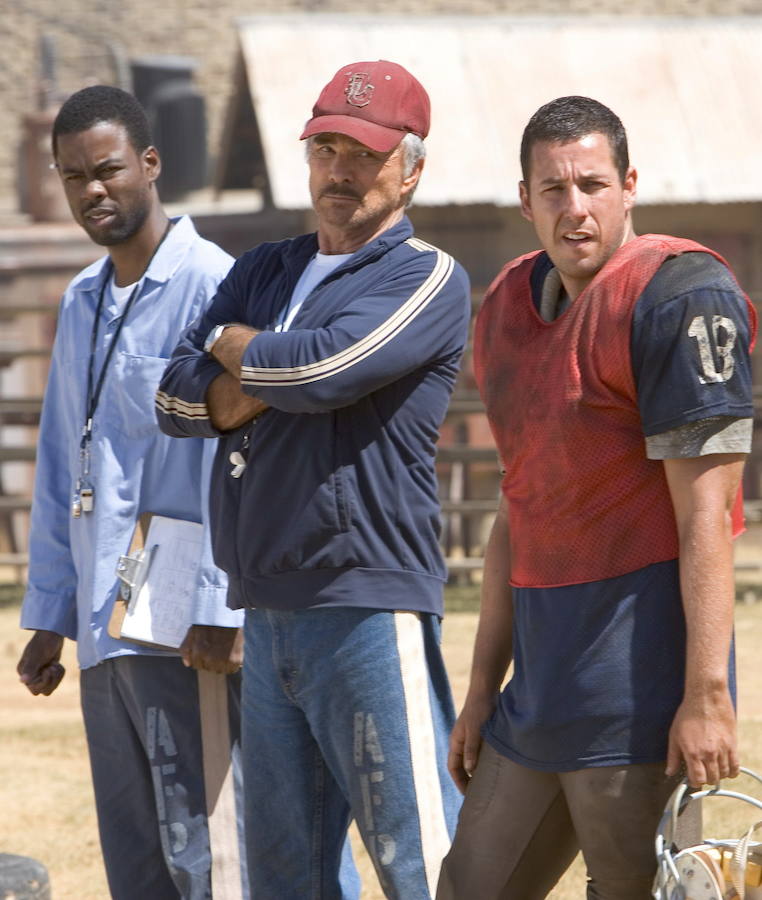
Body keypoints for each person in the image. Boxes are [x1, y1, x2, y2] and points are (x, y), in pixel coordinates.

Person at [155, 60, 470, 899]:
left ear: (411, 169)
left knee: (418, 860)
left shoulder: (424, 276)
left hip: (364, 601)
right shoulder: (270, 265)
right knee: (287, 874)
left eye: (363, 153)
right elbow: (170, 398)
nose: (340, 170)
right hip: (265, 605)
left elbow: (324, 368)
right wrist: (256, 369)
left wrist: (229, 345)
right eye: (325, 147)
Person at [437, 95, 757, 899]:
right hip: (538, 691)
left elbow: (707, 516)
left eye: (592, 184)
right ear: (525, 199)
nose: (574, 207)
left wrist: (707, 697)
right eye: (553, 188)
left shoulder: (678, 295)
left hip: (639, 694)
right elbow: (516, 509)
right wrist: (481, 692)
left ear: (629, 187)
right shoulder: (508, 304)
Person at [16, 86, 248, 900]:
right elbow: (59, 461)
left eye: (108, 170)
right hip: (103, 625)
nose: (92, 191)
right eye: (73, 175)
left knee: (206, 855)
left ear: (151, 166)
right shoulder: (82, 301)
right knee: (135, 861)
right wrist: (49, 611)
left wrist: (222, 606)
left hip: (184, 625)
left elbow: (241, 455)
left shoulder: (213, 286)